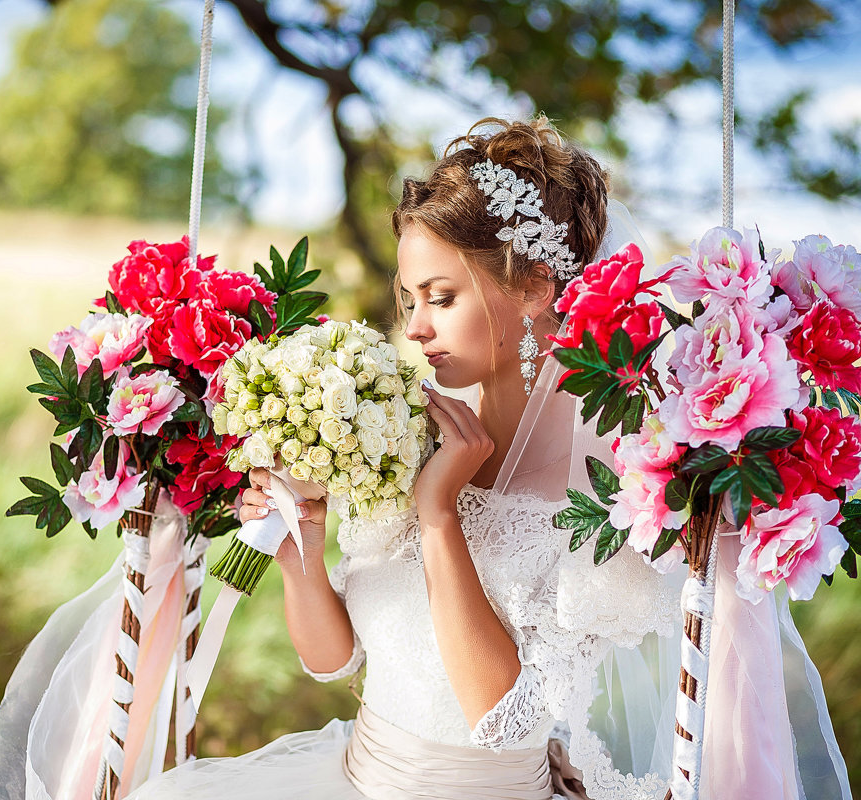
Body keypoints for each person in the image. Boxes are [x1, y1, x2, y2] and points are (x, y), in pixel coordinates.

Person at [125, 116, 684, 800]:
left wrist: (439, 518)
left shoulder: (601, 500)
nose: (416, 328)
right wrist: (301, 547)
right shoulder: (407, 440)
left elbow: (504, 721)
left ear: (537, 287)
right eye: (409, 299)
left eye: (441, 298)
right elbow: (336, 661)